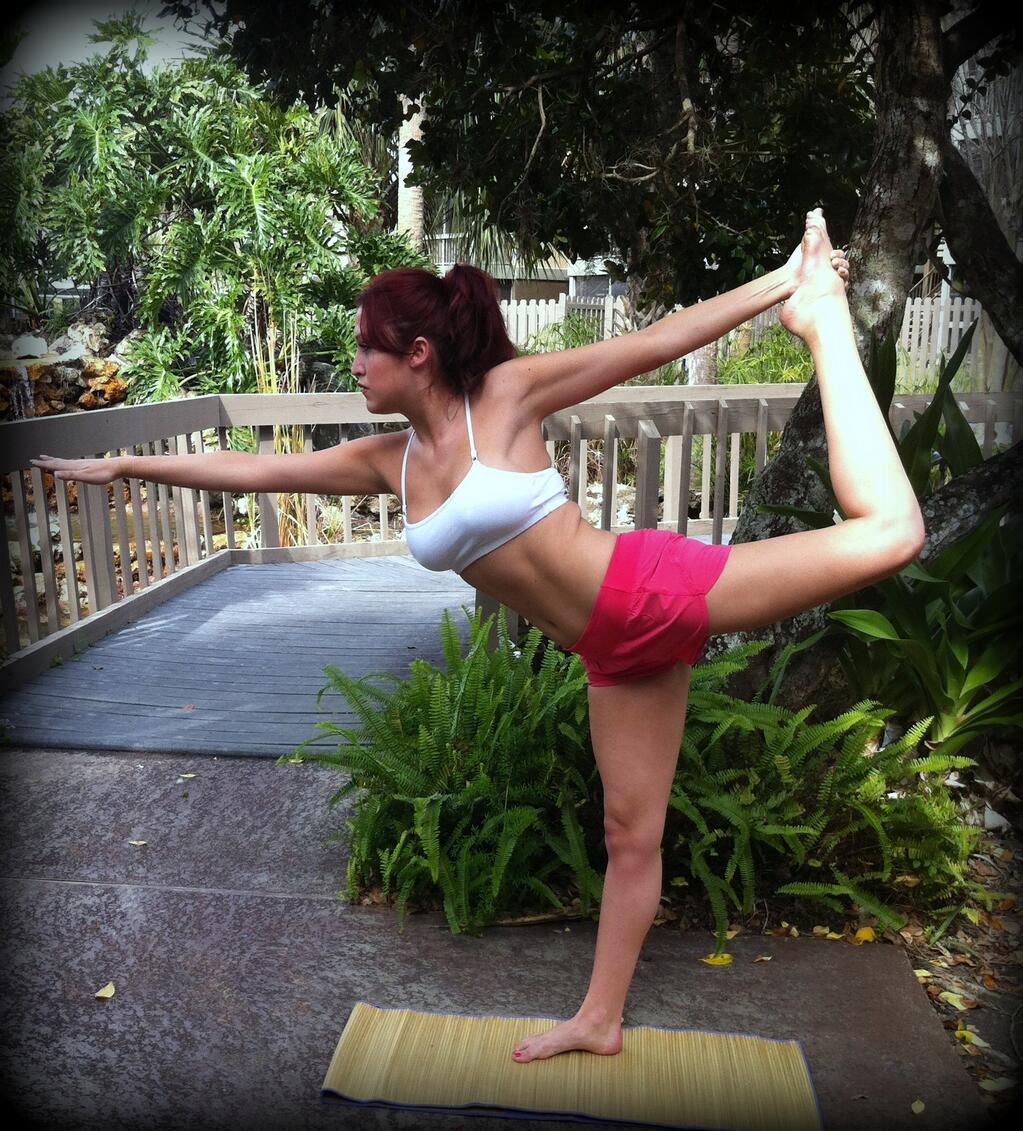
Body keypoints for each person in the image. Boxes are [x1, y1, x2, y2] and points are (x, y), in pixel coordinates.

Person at [33, 210, 924, 1064]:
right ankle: (598, 1019)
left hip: (646, 588)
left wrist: (782, 283)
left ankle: (824, 323)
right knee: (630, 834)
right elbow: (254, 468)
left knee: (890, 533)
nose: (354, 364)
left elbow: (653, 342)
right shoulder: (389, 461)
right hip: (611, 653)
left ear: (417, 353)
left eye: (366, 348)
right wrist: (126, 462)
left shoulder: (503, 395)